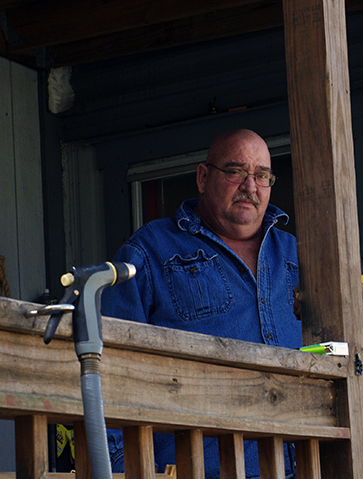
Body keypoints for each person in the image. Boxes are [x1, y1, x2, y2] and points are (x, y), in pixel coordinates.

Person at [102, 129, 301, 479]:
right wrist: (120, 469)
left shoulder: (298, 255)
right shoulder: (149, 251)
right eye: (235, 171)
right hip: (198, 469)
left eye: (261, 176)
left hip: (304, 465)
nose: (250, 187)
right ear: (203, 177)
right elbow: (109, 368)